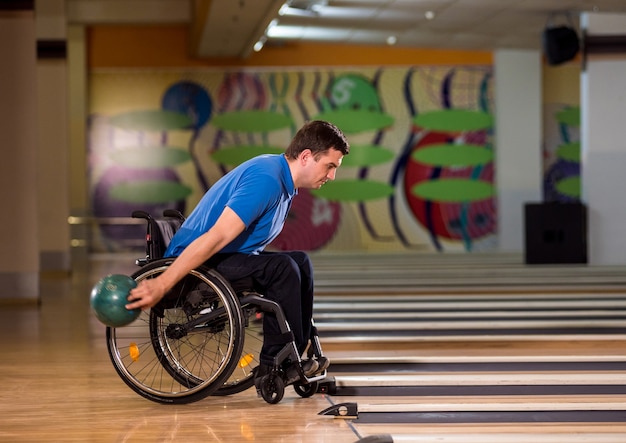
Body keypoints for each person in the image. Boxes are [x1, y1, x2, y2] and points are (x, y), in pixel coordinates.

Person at [126, 120, 349, 385]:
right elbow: (217, 236)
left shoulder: (283, 181)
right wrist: (163, 282)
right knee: (282, 269)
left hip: (223, 257)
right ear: (306, 157)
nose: (332, 176)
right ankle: (274, 365)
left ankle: (296, 353)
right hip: (199, 262)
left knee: (299, 261)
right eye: (330, 166)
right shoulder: (267, 180)